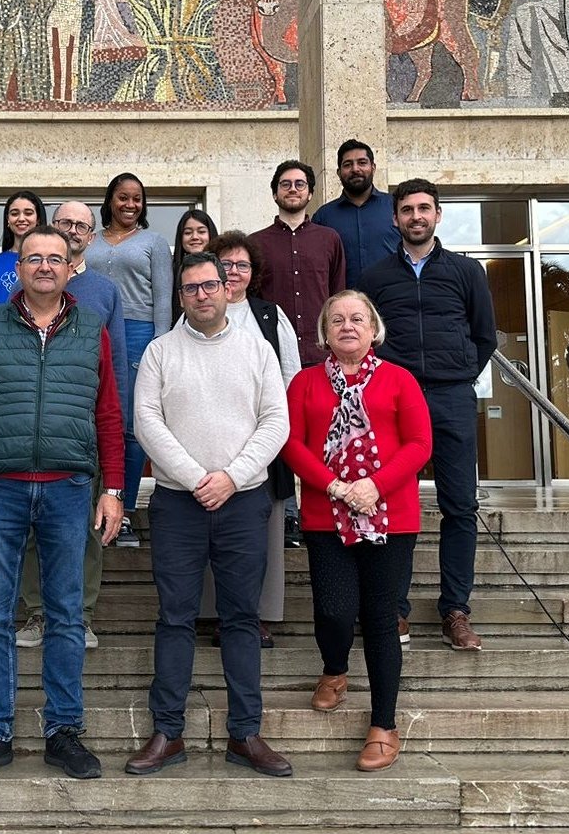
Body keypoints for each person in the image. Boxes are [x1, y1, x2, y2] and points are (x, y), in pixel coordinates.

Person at [0, 225, 125, 781]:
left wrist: (113, 490)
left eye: (55, 258)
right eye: (33, 258)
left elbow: (109, 415)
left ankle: (64, 730)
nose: (44, 266)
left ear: (73, 267)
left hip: (71, 488)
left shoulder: (91, 327)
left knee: (67, 615)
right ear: (17, 269)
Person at [126, 252, 291, 779]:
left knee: (241, 618)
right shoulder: (159, 352)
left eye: (210, 285)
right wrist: (198, 476)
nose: (202, 294)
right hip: (178, 503)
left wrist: (231, 477)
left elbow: (276, 422)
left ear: (227, 289)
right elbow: (147, 422)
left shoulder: (257, 349)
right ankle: (168, 733)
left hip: (243, 501)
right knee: (174, 617)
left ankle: (246, 733)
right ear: (181, 297)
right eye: (191, 288)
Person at [282, 291, 432, 771]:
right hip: (328, 516)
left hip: (392, 514)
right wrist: (338, 487)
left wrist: (374, 485)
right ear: (325, 332)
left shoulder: (399, 380)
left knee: (381, 618)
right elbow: (292, 444)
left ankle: (383, 725)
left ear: (373, 330)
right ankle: (334, 669)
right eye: (338, 319)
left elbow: (419, 443)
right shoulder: (305, 384)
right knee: (333, 610)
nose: (348, 326)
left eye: (358, 319)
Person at [359, 178, 497, 651]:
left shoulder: (466, 272)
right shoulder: (374, 278)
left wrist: (457, 374)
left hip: (451, 399)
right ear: (395, 219)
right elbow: (368, 342)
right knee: (393, 506)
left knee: (460, 506)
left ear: (437, 215)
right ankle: (393, 610)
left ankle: (455, 610)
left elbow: (485, 337)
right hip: (394, 404)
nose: (416, 217)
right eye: (407, 210)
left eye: (424, 209)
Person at [16, 200, 128, 652]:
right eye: (66, 223)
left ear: (91, 234)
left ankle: (79, 614)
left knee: (86, 531)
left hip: (84, 433)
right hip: (31, 434)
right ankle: (38, 614)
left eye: (83, 225)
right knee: (30, 532)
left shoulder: (105, 290)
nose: (74, 230)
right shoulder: (28, 286)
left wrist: (113, 432)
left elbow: (115, 364)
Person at [204, 230, 301, 648]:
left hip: (262, 443)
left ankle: (255, 615)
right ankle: (216, 614)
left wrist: (273, 429)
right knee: (211, 530)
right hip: (209, 442)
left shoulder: (269, 316)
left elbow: (290, 376)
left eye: (241, 265)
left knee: (261, 538)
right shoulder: (197, 310)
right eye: (225, 265)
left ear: (253, 272)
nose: (233, 272)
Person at [84, 173, 173, 547]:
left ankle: (125, 511)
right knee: (93, 417)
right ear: (110, 200)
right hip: (92, 328)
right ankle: (90, 504)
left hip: (138, 333)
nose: (130, 205)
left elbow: (164, 299)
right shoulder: (90, 240)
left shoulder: (154, 242)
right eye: (123, 197)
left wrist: (159, 345)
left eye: (137, 199)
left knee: (130, 426)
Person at [250, 160, 346, 368]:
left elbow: (338, 296)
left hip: (321, 353)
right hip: (272, 354)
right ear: (275, 194)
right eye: (285, 184)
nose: (293, 189)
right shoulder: (255, 243)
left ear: (310, 193)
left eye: (299, 184)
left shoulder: (330, 239)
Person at [312, 139, 399, 289]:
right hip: (343, 304)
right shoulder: (323, 216)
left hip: (391, 300)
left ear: (373, 167)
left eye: (362, 162)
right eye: (347, 164)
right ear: (339, 172)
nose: (355, 169)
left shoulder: (396, 207)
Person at [0, 191, 47, 303]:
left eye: (28, 213)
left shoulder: (50, 261)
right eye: (15, 213)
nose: (21, 218)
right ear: (8, 220)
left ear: (38, 219)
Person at [170, 208, 218, 325]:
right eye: (187, 233)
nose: (194, 237)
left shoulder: (224, 268)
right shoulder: (170, 271)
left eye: (201, 231)